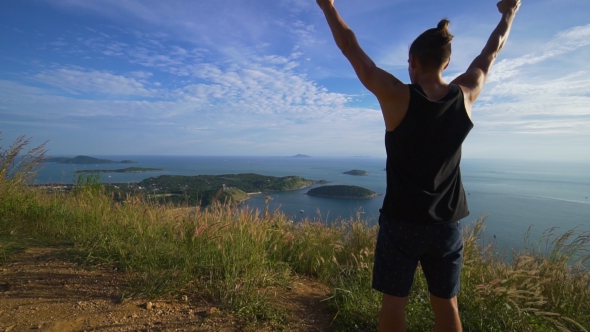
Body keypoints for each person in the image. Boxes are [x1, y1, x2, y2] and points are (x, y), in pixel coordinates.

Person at [316, 0, 521, 331]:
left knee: (394, 304)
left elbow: (350, 46)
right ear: (447, 61)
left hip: (401, 222)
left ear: (412, 62)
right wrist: (509, 14)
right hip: (447, 223)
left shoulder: (396, 96)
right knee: (447, 306)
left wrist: (327, 6)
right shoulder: (465, 95)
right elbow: (490, 53)